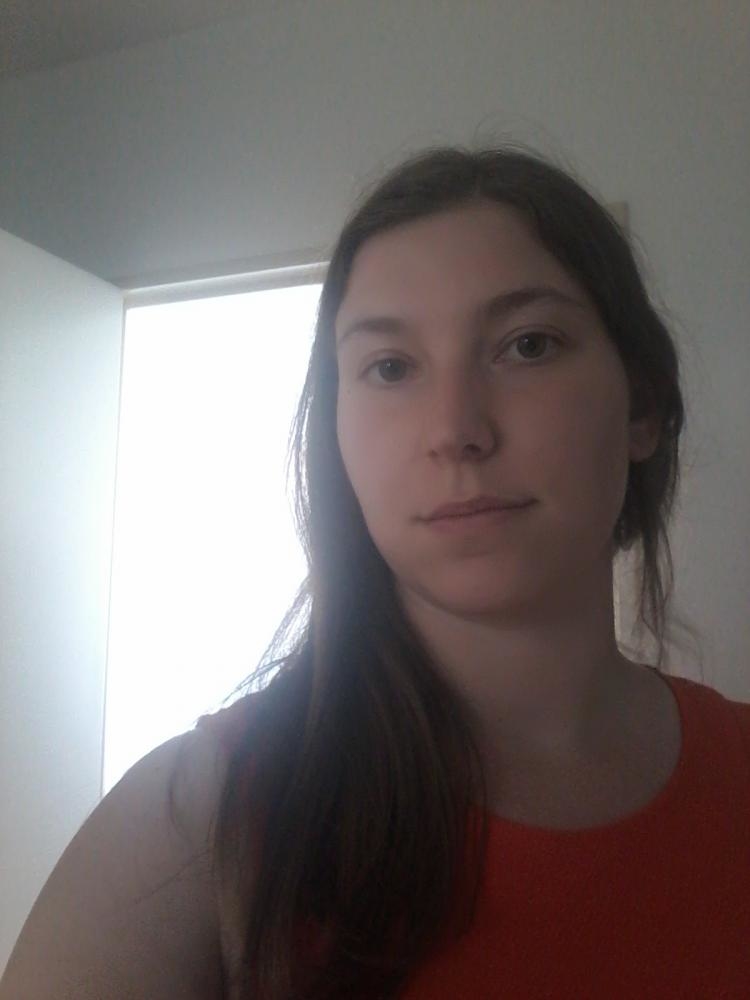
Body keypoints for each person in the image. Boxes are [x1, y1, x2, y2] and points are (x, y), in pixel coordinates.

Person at [2, 144, 749, 1000]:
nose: (455, 430)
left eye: (528, 345)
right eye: (390, 367)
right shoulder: (196, 822)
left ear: (643, 406)